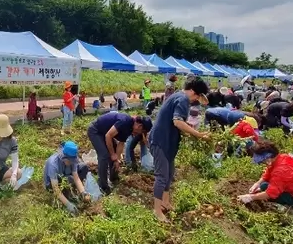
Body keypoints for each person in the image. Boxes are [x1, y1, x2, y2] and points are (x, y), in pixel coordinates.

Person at [149, 77, 210, 223]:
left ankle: (166, 203)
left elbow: (178, 121)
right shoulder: (183, 99)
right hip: (161, 141)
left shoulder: (178, 96)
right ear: (195, 93)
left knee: (169, 174)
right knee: (162, 176)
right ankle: (157, 211)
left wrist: (191, 130)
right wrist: (198, 135)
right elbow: (177, 122)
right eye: (198, 96)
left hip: (168, 142)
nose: (196, 100)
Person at [237, 140, 293, 213]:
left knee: (269, 196)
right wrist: (257, 183)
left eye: (262, 161)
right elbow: (269, 170)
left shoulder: (281, 171)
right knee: (264, 186)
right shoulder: (282, 157)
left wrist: (250, 197)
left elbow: (270, 194)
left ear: (268, 158)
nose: (262, 163)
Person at [87, 112, 153, 195]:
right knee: (104, 156)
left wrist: (117, 159)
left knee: (114, 156)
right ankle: (103, 186)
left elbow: (121, 143)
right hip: (95, 131)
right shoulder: (125, 121)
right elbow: (108, 136)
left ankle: (113, 178)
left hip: (104, 133)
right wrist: (112, 154)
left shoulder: (130, 128)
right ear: (139, 126)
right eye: (142, 131)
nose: (139, 134)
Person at [43, 141, 91, 215]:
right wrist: (68, 204)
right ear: (64, 157)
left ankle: (72, 191)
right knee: (58, 190)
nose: (71, 162)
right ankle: (65, 197)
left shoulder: (72, 160)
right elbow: (56, 189)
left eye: (73, 161)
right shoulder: (53, 164)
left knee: (83, 167)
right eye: (70, 161)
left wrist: (83, 192)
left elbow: (76, 177)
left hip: (66, 176)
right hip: (53, 183)